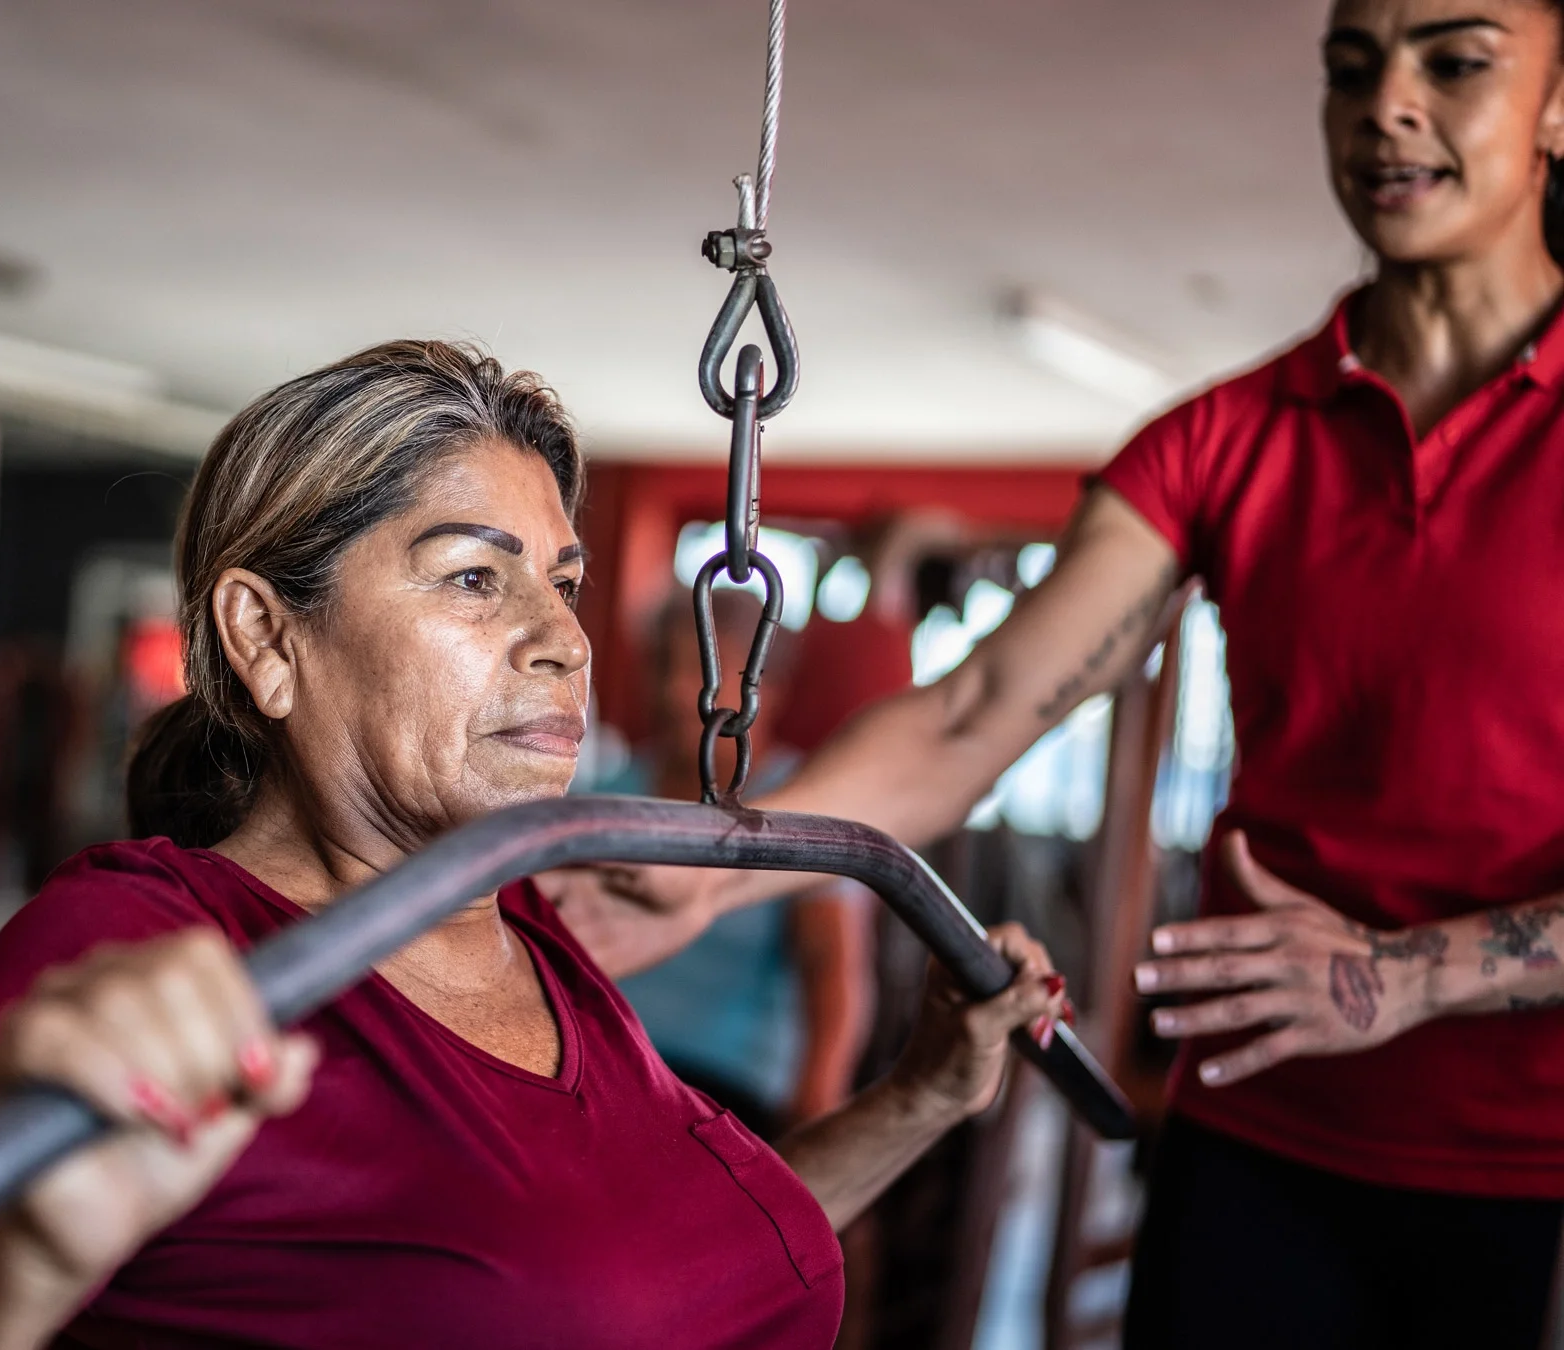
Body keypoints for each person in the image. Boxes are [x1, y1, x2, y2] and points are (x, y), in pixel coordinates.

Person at [545, 2, 1564, 1344]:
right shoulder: (1227, 438)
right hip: (1256, 1130)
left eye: (1457, 58)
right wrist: (705, 881)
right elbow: (976, 708)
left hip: (1534, 1166)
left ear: (1558, 103)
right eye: (1350, 65)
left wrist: (1411, 971)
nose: (1386, 102)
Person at [0, 340, 1068, 1349]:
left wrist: (921, 1097)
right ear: (267, 637)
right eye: (476, 580)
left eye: (565, 584)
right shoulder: (149, 940)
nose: (563, 641)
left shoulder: (529, 929)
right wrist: (25, 1269)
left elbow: (676, 1276)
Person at [602, 588, 877, 1137]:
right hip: (606, 1064)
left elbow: (833, 973)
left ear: (766, 689)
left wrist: (816, 1125)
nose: (677, 691)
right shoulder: (613, 794)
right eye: (666, 667)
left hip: (724, 1092)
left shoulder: (803, 807)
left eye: (703, 672)